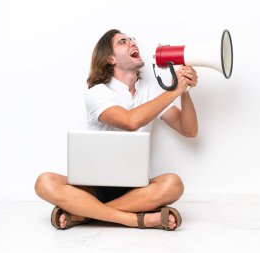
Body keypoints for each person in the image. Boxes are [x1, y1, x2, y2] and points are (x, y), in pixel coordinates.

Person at [34, 29, 199, 231]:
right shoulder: (97, 93)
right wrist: (173, 90)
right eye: (123, 42)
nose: (132, 43)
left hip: (136, 188)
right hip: (93, 186)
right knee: (44, 182)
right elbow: (130, 121)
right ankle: (136, 219)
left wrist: (185, 92)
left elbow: (189, 130)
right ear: (110, 59)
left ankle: (83, 214)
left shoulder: (151, 91)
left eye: (132, 40)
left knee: (173, 184)